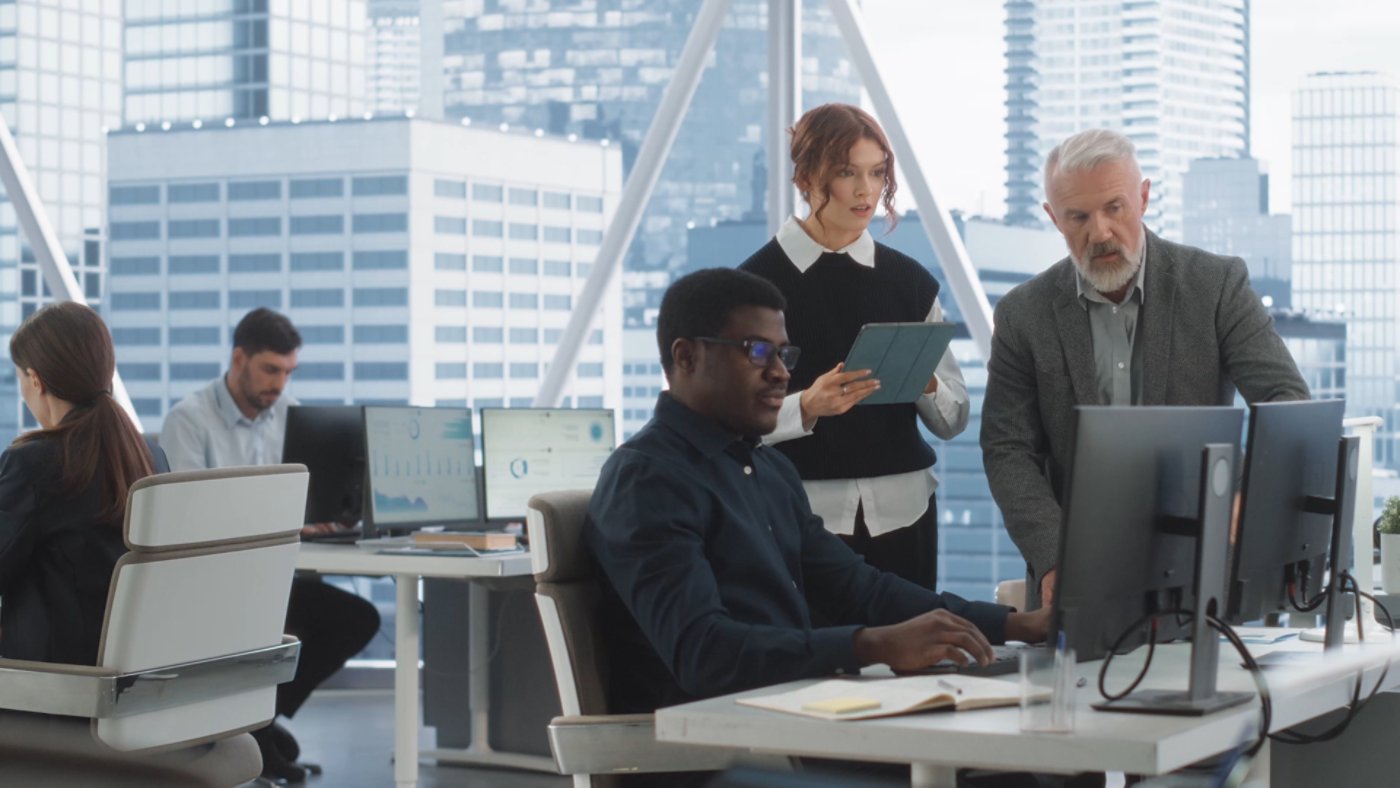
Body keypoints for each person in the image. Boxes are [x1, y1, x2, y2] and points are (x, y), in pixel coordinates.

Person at [587, 268, 1048, 720]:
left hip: (797, 716)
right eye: (757, 351)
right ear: (685, 357)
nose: (780, 373)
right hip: (713, 746)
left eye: (784, 355)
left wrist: (1013, 625)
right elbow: (703, 654)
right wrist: (871, 645)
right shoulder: (647, 480)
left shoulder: (766, 469)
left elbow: (861, 589)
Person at [981, 128, 1310, 612]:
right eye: (1078, 216)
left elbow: (1285, 399)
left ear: (1144, 197)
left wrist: (1247, 497)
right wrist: (1053, 558)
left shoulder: (1215, 285)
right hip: (1078, 576)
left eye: (1115, 207)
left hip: (1204, 569)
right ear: (1054, 218)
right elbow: (1007, 448)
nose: (1100, 232)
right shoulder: (1022, 313)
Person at [739, 103, 968, 590]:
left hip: (906, 514)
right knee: (816, 662)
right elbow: (729, 421)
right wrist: (807, 405)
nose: (866, 191)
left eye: (877, 173)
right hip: (801, 517)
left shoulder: (912, 283)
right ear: (806, 178)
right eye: (847, 173)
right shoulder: (751, 287)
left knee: (916, 661)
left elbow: (952, 421)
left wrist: (924, 379)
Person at [161, 307, 379, 784]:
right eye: (270, 370)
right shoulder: (189, 421)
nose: (280, 384)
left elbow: (300, 498)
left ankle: (254, 725)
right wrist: (282, 526)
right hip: (213, 585)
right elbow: (189, 522)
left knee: (358, 619)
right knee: (283, 629)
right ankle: (250, 730)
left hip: (274, 577)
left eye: (288, 372)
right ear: (239, 359)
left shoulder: (288, 414)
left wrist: (316, 520)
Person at [0, 302, 165, 665]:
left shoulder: (34, 463)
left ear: (35, 380)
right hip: (133, 669)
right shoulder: (151, 455)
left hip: (52, 677)